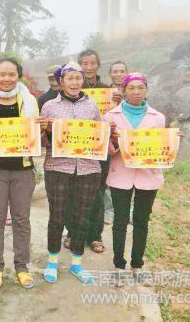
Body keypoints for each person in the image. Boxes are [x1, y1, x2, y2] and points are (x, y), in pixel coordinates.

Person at [104, 73, 183, 286]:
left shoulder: (158, 117)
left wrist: (173, 142)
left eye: (140, 87)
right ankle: (118, 266)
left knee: (141, 221)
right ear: (124, 90)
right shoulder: (110, 116)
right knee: (120, 221)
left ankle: (137, 265)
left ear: (146, 90)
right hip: (121, 174)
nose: (136, 92)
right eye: (131, 88)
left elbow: (160, 148)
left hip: (148, 176)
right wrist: (113, 140)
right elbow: (106, 150)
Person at [39, 62, 111, 285]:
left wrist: (110, 134)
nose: (74, 82)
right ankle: (52, 261)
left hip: (88, 169)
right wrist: (46, 131)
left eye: (78, 78)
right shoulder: (49, 106)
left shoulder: (92, 106)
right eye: (69, 78)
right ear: (61, 82)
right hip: (58, 168)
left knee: (82, 216)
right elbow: (41, 142)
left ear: (83, 81)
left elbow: (99, 137)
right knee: (57, 216)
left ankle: (77, 263)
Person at [0, 57, 40, 289]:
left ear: (18, 76)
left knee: (22, 219)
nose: (6, 79)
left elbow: (35, 133)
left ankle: (22, 266)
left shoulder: (29, 100)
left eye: (11, 74)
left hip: (23, 168)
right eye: (2, 74)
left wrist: (40, 126)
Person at [64, 49, 120, 254]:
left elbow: (117, 118)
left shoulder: (108, 91)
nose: (88, 67)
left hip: (99, 147)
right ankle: (72, 232)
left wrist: (119, 102)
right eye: (84, 63)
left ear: (98, 65)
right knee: (72, 191)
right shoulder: (71, 90)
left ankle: (95, 235)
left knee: (97, 192)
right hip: (75, 146)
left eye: (92, 63)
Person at [104, 60, 129, 226]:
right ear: (110, 74)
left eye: (122, 71)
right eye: (115, 71)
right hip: (108, 139)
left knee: (129, 177)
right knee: (108, 175)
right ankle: (109, 210)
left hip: (128, 141)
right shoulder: (104, 93)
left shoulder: (134, 92)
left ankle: (127, 210)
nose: (119, 74)